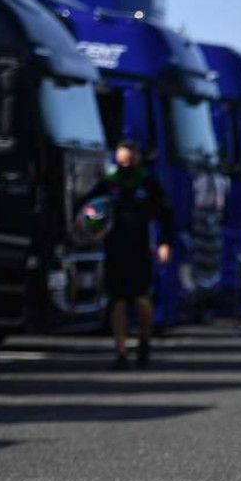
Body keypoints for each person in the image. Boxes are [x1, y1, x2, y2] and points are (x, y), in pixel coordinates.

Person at [84, 140, 174, 369]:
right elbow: (88, 210)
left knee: (143, 299)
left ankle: (144, 341)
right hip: (115, 250)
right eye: (122, 160)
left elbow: (165, 215)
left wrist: (164, 243)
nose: (126, 164)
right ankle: (121, 351)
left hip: (140, 250)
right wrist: (92, 229)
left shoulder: (147, 183)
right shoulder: (108, 184)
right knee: (118, 300)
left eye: (130, 159)